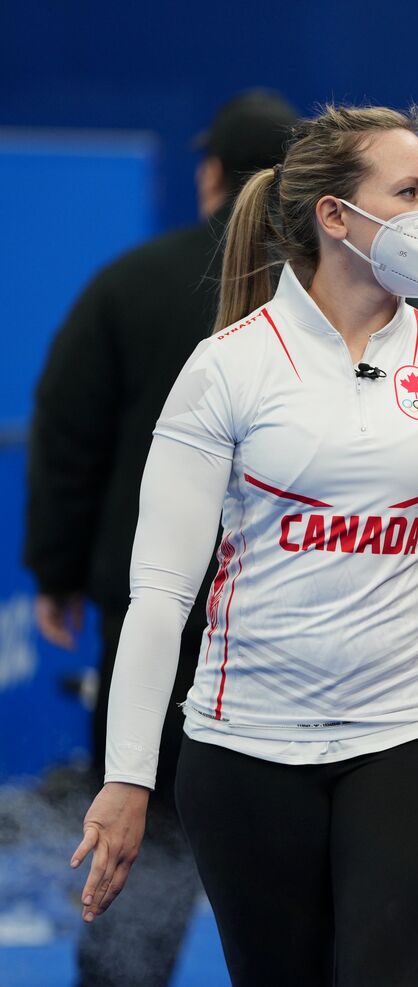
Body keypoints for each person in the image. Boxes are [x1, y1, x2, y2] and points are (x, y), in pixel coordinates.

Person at [65, 104, 418, 987]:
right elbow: (159, 595)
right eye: (411, 191)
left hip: (406, 738)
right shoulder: (226, 368)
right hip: (243, 755)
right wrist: (128, 775)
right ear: (336, 216)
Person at [23, 89, 297, 987]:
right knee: (297, 828)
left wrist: (56, 573)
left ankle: (122, 977)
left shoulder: (130, 282)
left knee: (139, 796)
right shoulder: (327, 298)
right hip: (299, 614)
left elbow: (67, 435)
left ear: (210, 174)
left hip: (157, 614)